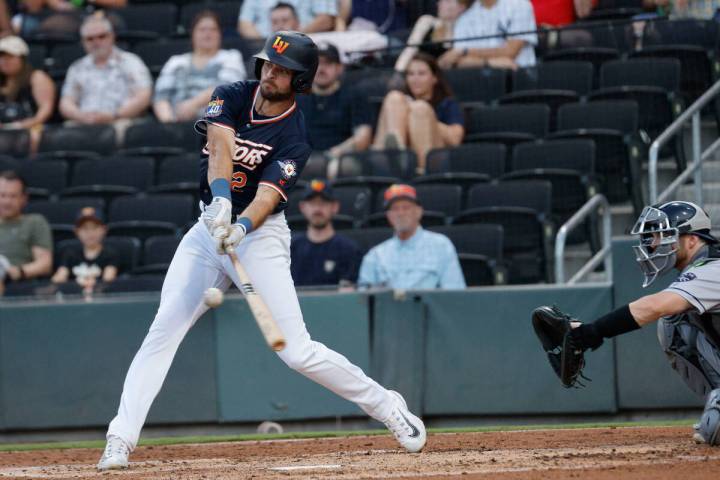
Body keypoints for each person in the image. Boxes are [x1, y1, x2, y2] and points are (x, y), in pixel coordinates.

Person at [96, 30, 426, 472]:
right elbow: (220, 146)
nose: (272, 71)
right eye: (269, 63)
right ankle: (120, 439)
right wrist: (220, 203)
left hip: (260, 235)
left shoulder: (296, 134)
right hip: (207, 226)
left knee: (295, 351)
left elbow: (269, 194)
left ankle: (387, 406)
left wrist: (242, 224)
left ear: (301, 79)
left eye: (283, 69)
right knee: (163, 330)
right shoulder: (231, 94)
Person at [532, 201, 720, 446]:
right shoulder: (703, 268)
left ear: (692, 239)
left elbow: (654, 306)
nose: (653, 244)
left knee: (669, 313)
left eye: (661, 235)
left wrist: (592, 332)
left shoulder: (712, 269)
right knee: (674, 322)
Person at [358, 184, 466, 290]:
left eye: (406, 207)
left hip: (430, 307)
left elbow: (455, 293)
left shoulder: (441, 246)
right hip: (388, 307)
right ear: (389, 216)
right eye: (395, 209)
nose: (401, 213)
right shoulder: (376, 255)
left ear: (418, 212)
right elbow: (363, 300)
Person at [373, 53, 464, 174]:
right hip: (390, 157)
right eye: (411, 74)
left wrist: (428, 118)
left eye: (421, 74)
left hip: (433, 157)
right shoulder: (400, 101)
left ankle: (420, 172)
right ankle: (399, 153)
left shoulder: (447, 103)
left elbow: (455, 139)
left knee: (419, 109)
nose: (415, 79)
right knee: (393, 97)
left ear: (434, 78)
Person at [59, 13, 152, 127]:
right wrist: (80, 116)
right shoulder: (77, 67)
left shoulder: (131, 62)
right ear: (83, 42)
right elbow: (66, 102)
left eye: (101, 36)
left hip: (121, 120)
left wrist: (115, 115)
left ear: (112, 36)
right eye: (90, 39)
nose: (96, 42)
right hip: (84, 122)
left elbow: (144, 96)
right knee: (66, 131)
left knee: (124, 128)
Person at [153, 11, 246, 123]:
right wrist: (168, 123)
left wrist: (193, 104)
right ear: (193, 34)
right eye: (202, 29)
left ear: (220, 34)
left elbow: (227, 89)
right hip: (176, 123)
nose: (208, 34)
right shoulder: (176, 61)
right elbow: (161, 96)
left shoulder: (231, 57)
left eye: (213, 29)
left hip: (217, 124)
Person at [296, 42, 371, 161]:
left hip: (341, 159)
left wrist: (337, 153)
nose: (321, 68)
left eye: (327, 63)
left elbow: (363, 135)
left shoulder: (354, 95)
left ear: (339, 68)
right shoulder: (297, 97)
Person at [290, 179, 362, 287]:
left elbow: (348, 297)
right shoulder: (290, 248)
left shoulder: (349, 250)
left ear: (335, 207)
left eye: (323, 203)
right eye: (312, 203)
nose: (317, 209)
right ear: (302, 207)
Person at [438, 0, 538, 70]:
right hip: (479, 81)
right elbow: (455, 61)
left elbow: (511, 52)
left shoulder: (519, 4)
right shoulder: (466, 16)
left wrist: (465, 51)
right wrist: (490, 63)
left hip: (520, 75)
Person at [0, 35, 55, 154]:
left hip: (32, 127)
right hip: (4, 128)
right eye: (1, 57)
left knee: (34, 137)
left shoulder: (37, 77)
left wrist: (28, 123)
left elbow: (45, 109)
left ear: (22, 58)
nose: (4, 61)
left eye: (10, 57)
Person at [0, 170, 52, 293]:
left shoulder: (34, 222)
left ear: (24, 198)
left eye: (13, 196)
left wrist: (19, 271)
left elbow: (45, 263)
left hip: (18, 285)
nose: (7, 201)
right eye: (2, 195)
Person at [50, 206, 118, 295]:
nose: (90, 233)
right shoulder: (69, 253)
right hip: (74, 299)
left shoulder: (110, 254)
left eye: (95, 227)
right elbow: (60, 277)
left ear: (104, 230)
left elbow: (108, 280)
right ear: (76, 231)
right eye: (85, 228)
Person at [394, 0, 472, 72]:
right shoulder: (427, 21)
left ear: (461, 7)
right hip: (421, 75)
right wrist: (399, 72)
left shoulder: (467, 30)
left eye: (447, 1)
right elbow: (410, 50)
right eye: (440, 1)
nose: (439, 4)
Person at [238, 0, 336, 39]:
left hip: (307, 42)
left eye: (284, 21)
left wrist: (295, 38)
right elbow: (244, 25)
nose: (280, 24)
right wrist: (267, 44)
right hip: (266, 44)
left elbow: (326, 20)